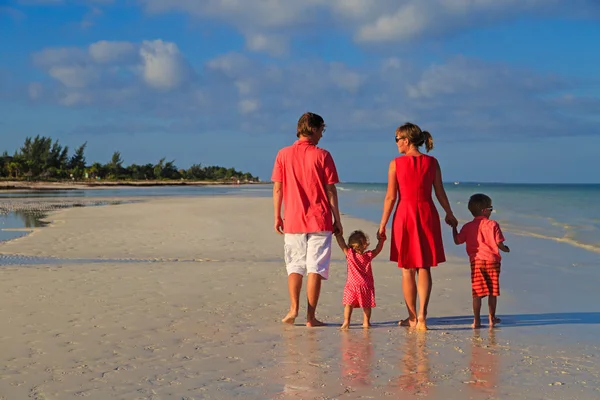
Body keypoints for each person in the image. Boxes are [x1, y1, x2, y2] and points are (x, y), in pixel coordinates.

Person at [378, 122, 458, 331]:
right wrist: (448, 213)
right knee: (424, 266)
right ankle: (422, 315)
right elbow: (440, 192)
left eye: (397, 139)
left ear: (406, 140)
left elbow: (390, 197)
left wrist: (383, 224)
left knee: (407, 269)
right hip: (427, 213)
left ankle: (412, 317)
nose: (396, 144)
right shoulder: (432, 162)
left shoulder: (396, 163)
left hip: (405, 215)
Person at [272, 112, 343, 327]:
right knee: (315, 268)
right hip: (319, 219)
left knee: (295, 266)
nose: (322, 134)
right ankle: (311, 317)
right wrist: (337, 219)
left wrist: (277, 215)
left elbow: (278, 187)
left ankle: (293, 308)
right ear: (313, 129)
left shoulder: (283, 154)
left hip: (293, 219)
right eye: (322, 130)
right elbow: (330, 190)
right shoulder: (323, 155)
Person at [452, 193, 510, 328]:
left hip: (476, 261)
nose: (491, 211)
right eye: (490, 209)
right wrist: (506, 249)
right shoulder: (493, 224)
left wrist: (454, 228)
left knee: (477, 292)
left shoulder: (467, 226)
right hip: (493, 261)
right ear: (484, 210)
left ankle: (476, 320)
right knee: (492, 292)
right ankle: (491, 318)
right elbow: (499, 244)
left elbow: (457, 241)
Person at [334, 230, 385, 330]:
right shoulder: (367, 256)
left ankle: (346, 322)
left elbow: (342, 244)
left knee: (349, 305)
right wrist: (381, 240)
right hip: (366, 285)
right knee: (367, 306)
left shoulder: (350, 254)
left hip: (352, 285)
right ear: (365, 245)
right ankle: (366, 322)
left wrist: (338, 235)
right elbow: (377, 250)